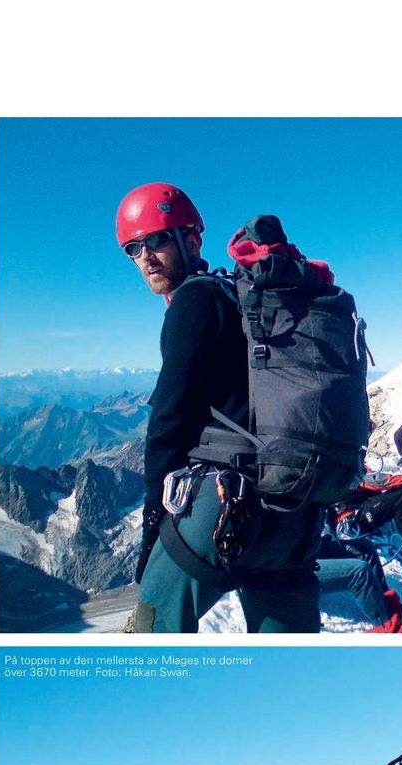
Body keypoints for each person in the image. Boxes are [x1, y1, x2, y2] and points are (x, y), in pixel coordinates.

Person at [116, 184, 323, 633]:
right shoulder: (241, 301)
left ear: (191, 241)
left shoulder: (193, 300)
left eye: (157, 240)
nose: (146, 256)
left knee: (149, 634)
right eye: (134, 248)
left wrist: (155, 524)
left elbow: (168, 421)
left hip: (226, 510)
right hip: (295, 518)